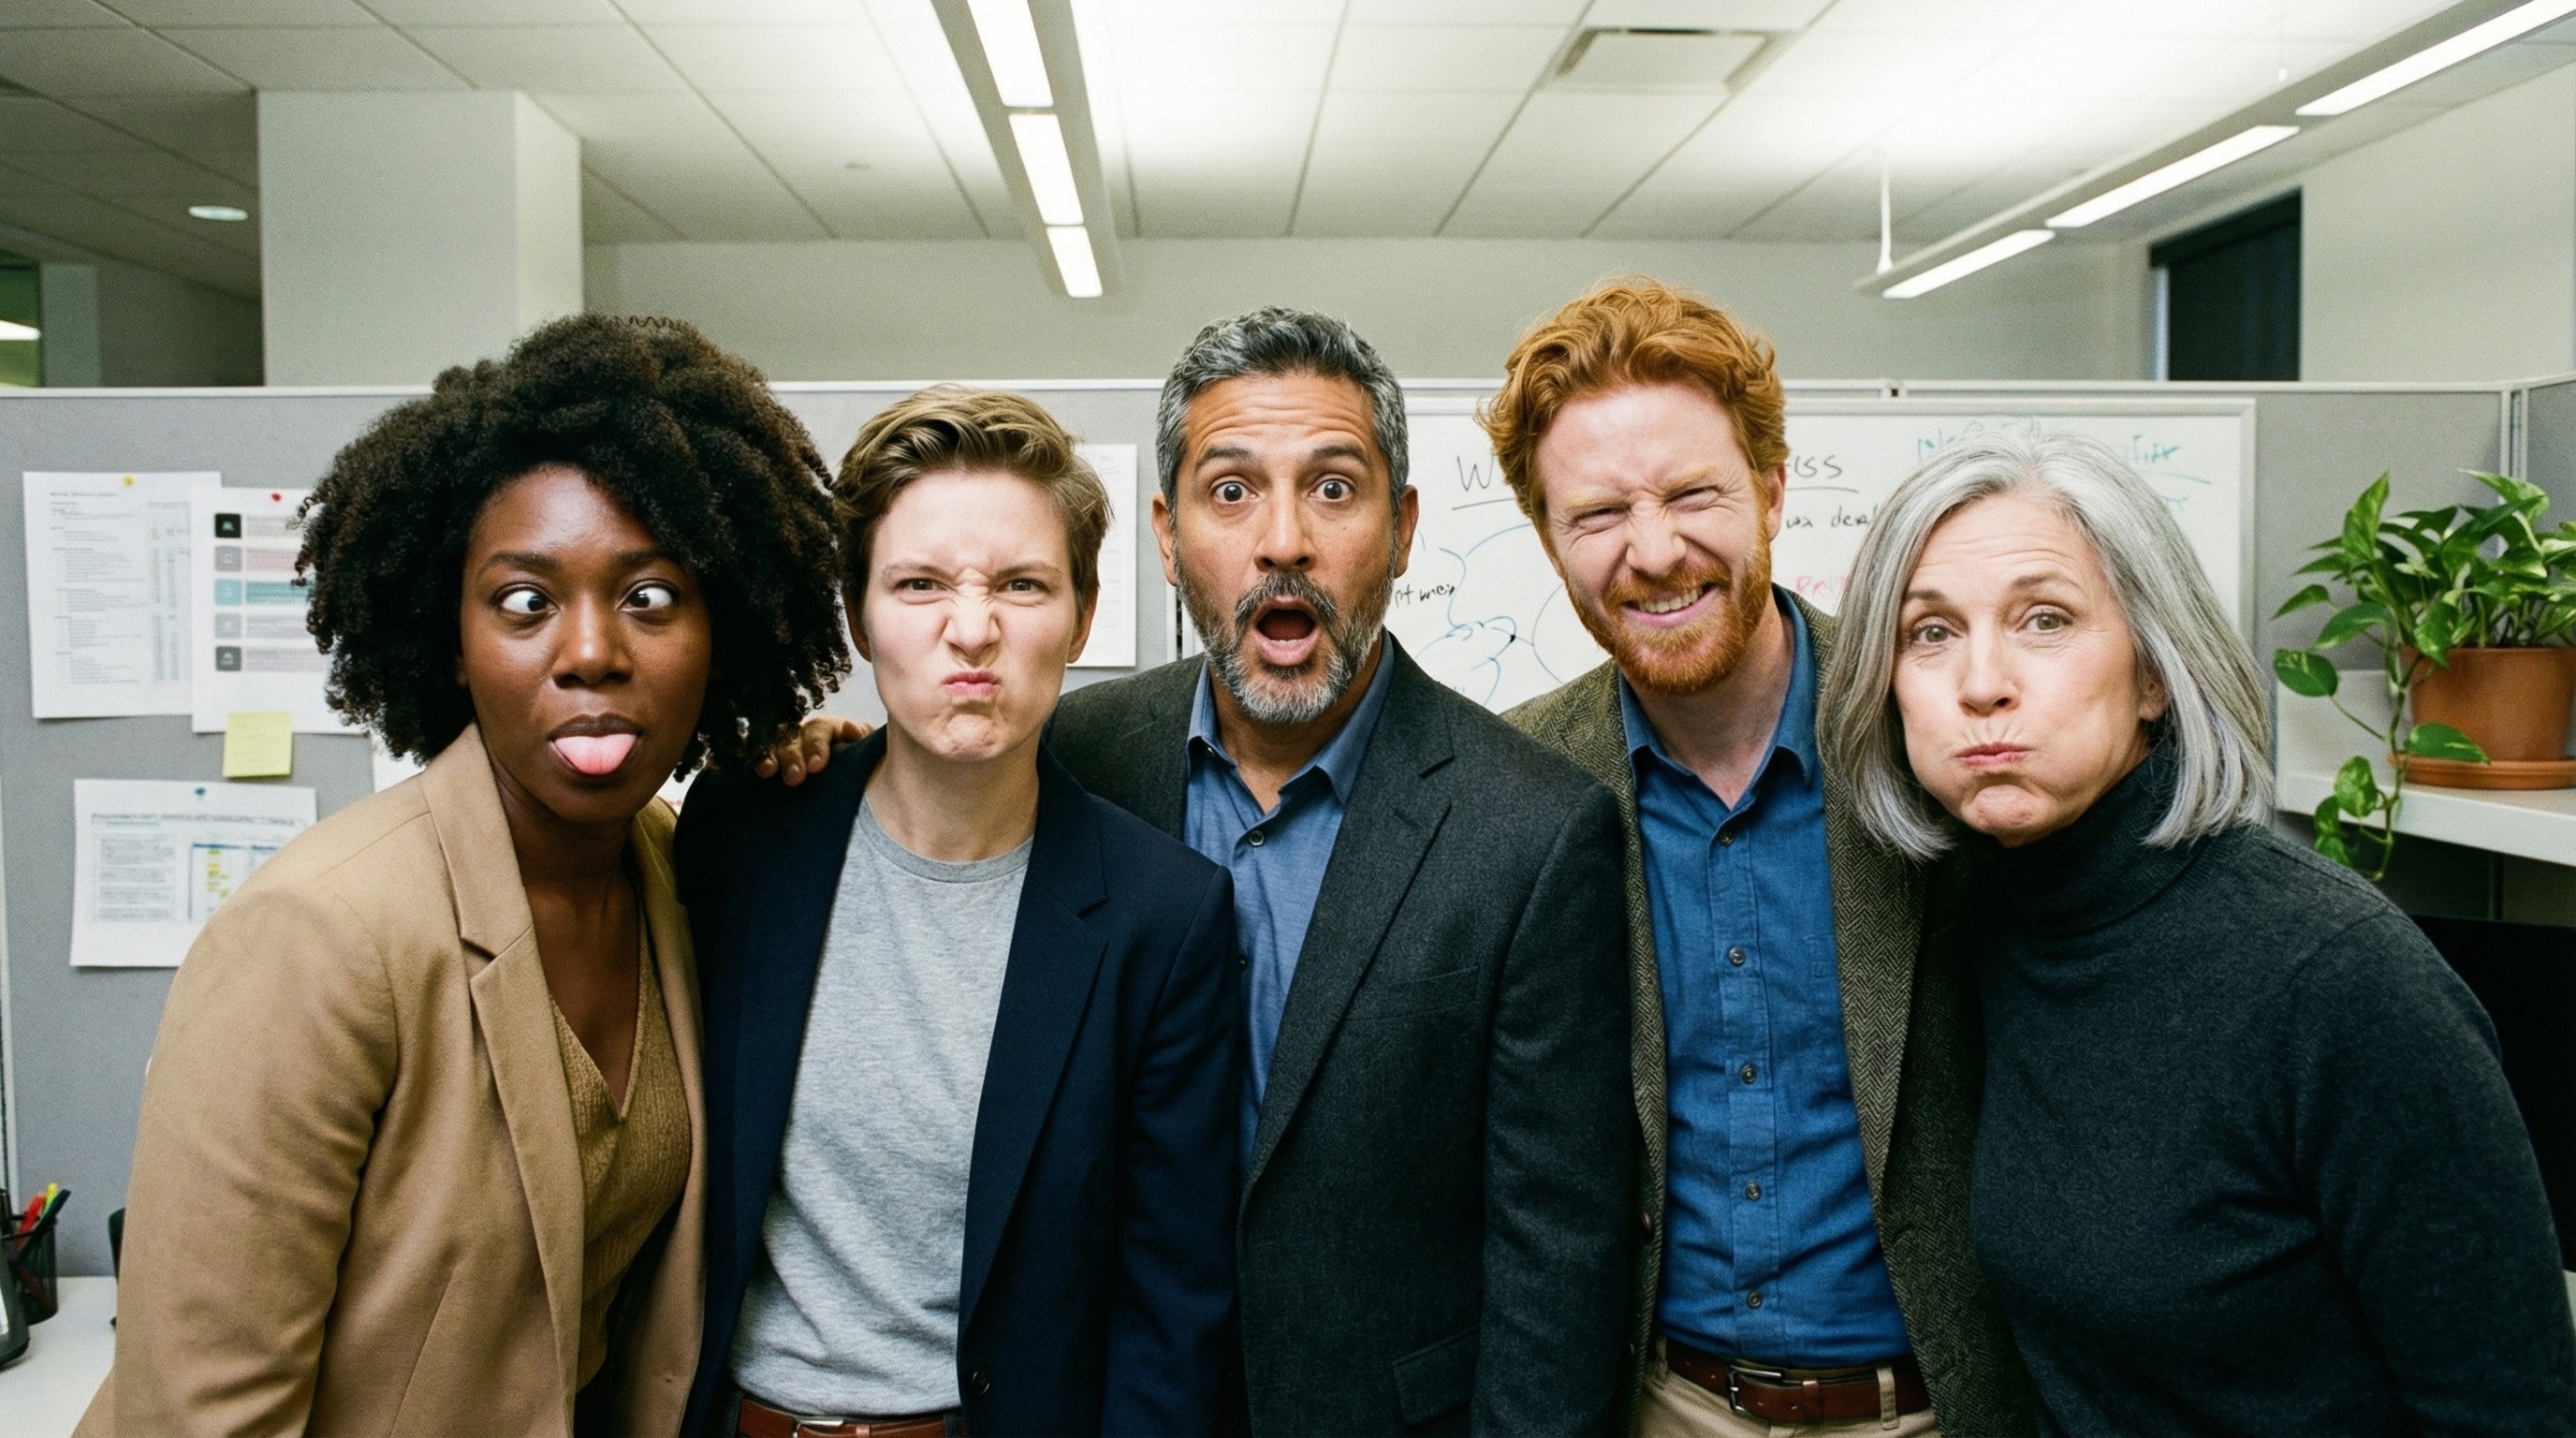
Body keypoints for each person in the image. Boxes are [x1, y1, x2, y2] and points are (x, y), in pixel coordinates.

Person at [781, 310, 1637, 1432]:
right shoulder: (1071, 759)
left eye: (1334, 488)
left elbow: (1558, 1258)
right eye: (1230, 492)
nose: (1283, 539)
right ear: (1167, 534)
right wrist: (814, 758)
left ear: (1406, 526)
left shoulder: (1532, 829)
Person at [80, 315, 850, 1437]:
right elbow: (202, 1415)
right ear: (450, 639)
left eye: (649, 598)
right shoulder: (319, 934)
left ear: (719, 631)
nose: (591, 650)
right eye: (525, 602)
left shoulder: (672, 873)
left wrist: (828, 770)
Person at [1817, 427, 2576, 1434]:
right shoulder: (1978, 924)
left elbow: (2505, 1410)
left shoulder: (2336, 978)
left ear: (2152, 674)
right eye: (1929, 632)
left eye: (2044, 620)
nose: (1980, 682)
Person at [1486, 280, 2033, 1436]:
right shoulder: (1519, 787)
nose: (1654, 551)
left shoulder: (1931, 733)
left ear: (1772, 493)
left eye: (1695, 494)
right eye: (1595, 516)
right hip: (1658, 1403)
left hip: (1941, 1407)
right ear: (1546, 538)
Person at [675, 388, 1242, 1438]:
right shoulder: (742, 835)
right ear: (858, 615)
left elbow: (1171, 1305)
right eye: (920, 583)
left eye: (1022, 585)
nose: (971, 631)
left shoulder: (1162, 918)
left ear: (1078, 614)